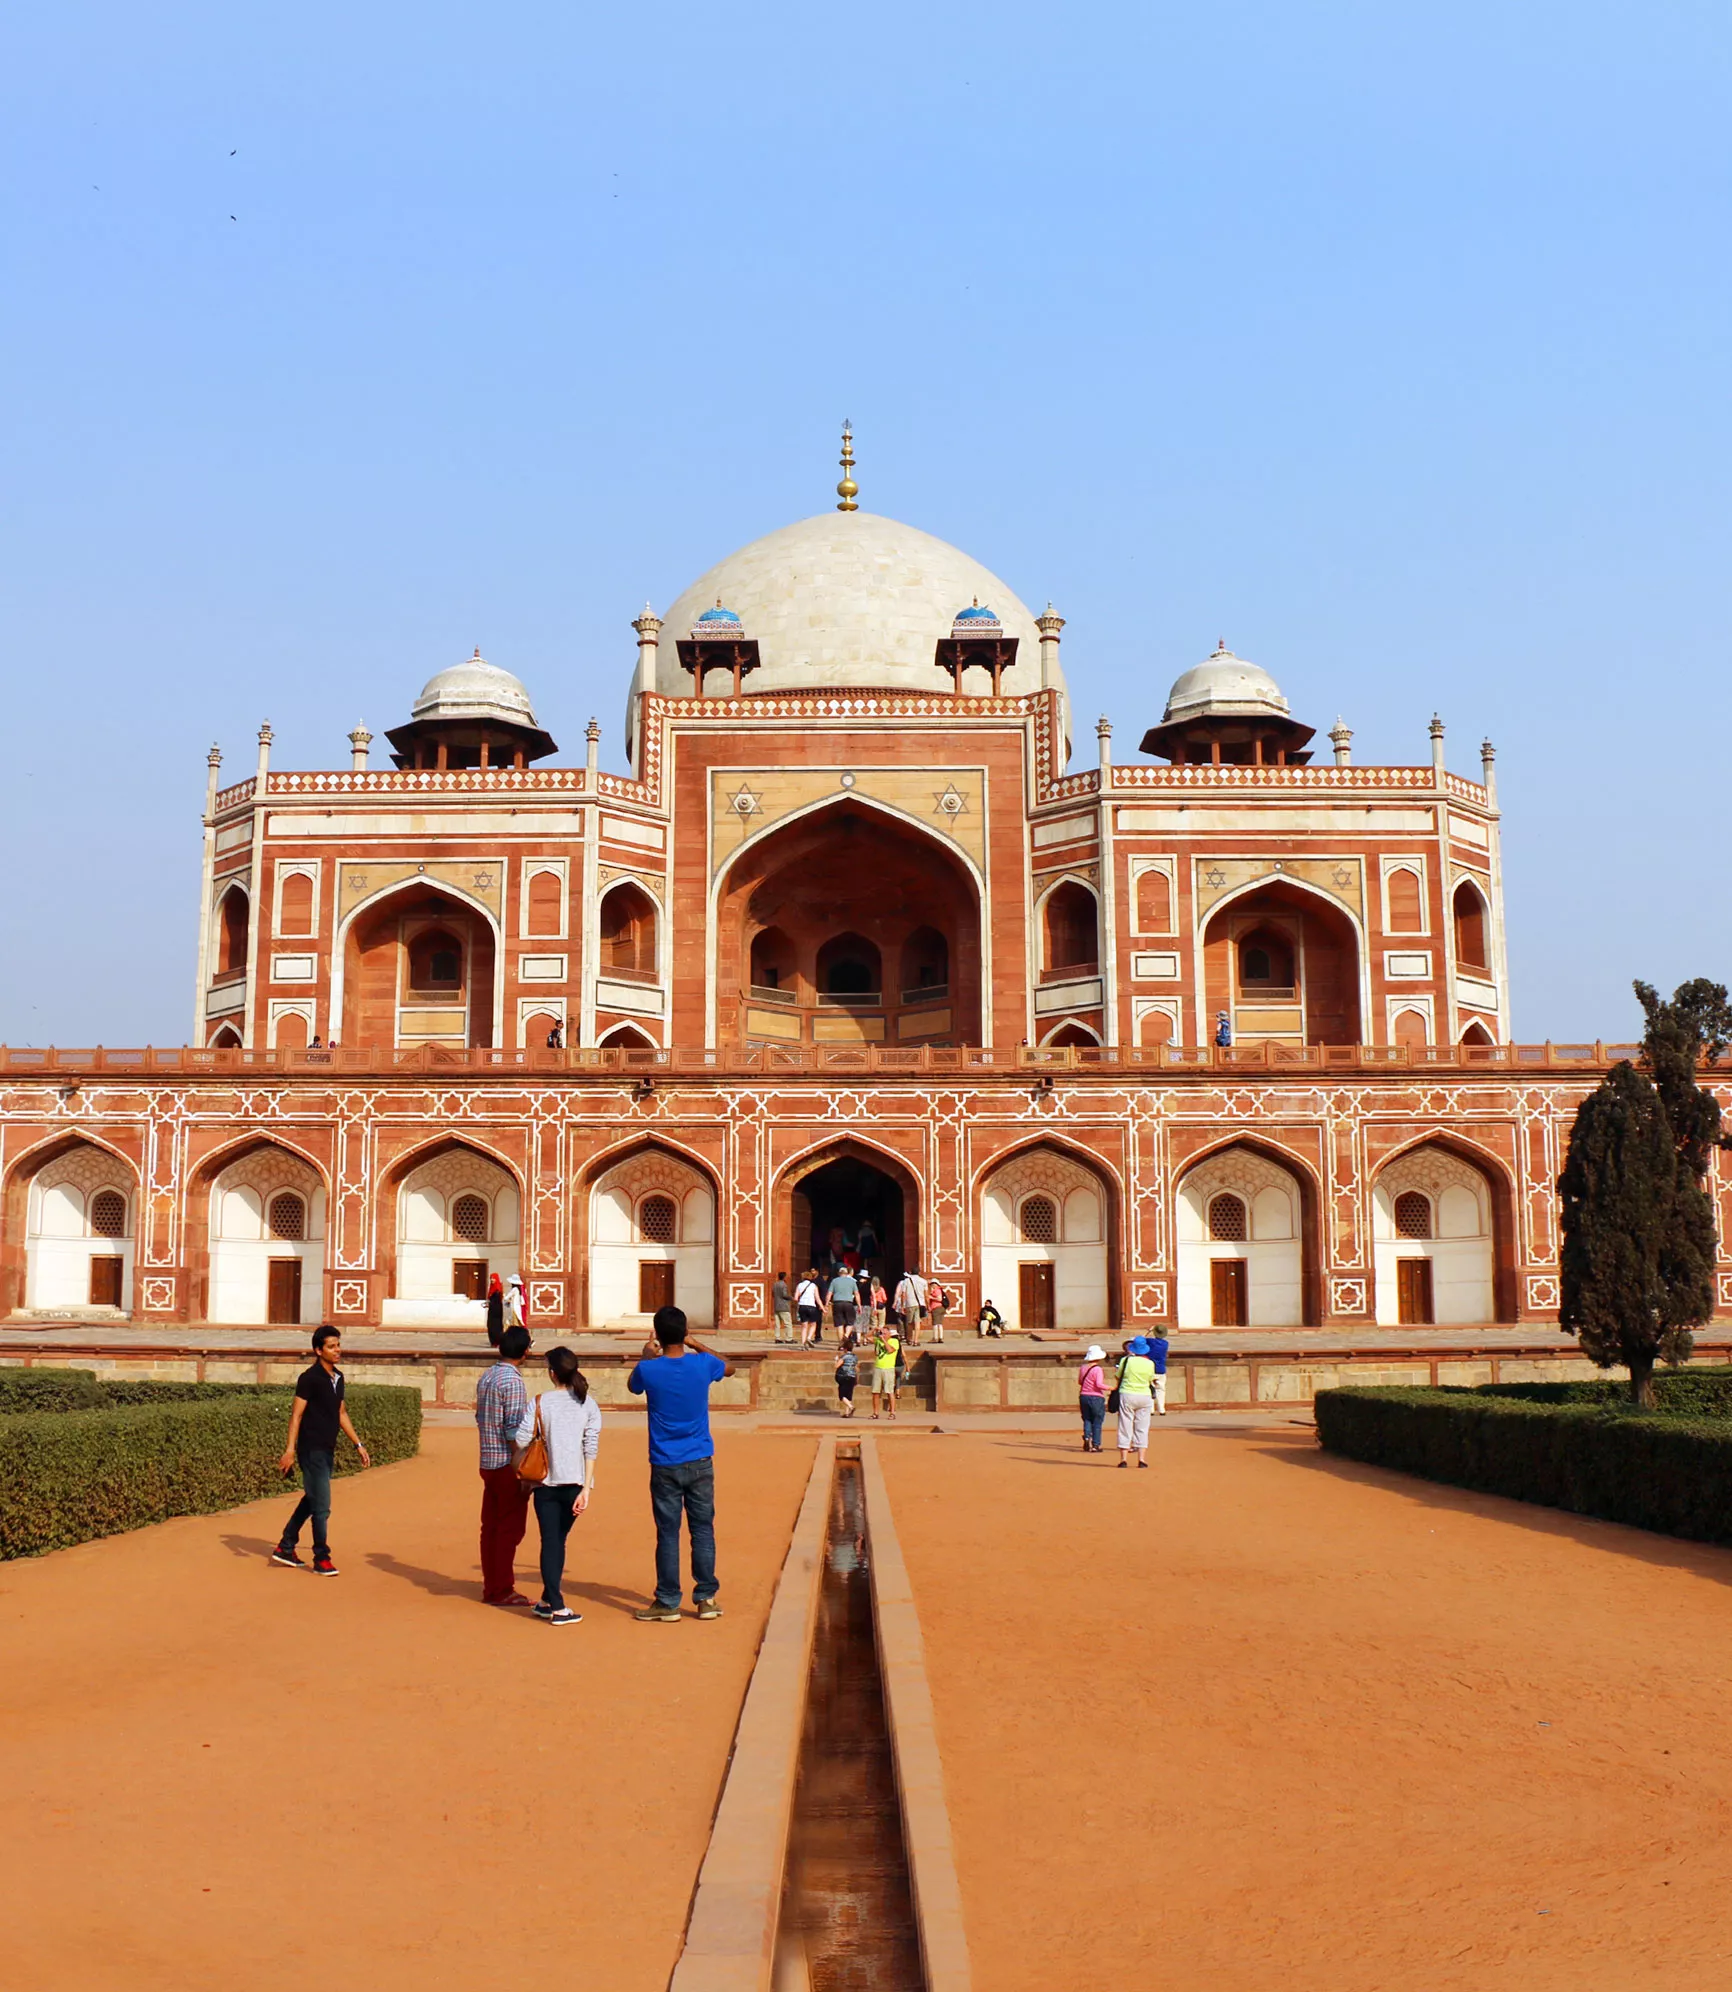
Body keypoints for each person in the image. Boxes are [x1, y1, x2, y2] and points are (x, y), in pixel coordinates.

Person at [627, 1305, 735, 1622]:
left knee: (668, 1532)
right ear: (684, 1333)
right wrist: (697, 1344)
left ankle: (668, 1600)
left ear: (657, 1335)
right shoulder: (702, 1364)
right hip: (700, 1457)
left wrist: (646, 1354)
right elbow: (729, 1368)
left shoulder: (649, 1369)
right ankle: (706, 1597)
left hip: (665, 1461)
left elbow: (633, 1385)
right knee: (702, 1530)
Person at [271, 1326, 369, 1576]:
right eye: (331, 1346)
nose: (338, 1350)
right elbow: (296, 1415)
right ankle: (321, 1556)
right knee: (322, 1506)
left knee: (312, 1498)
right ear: (318, 1350)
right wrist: (290, 1450)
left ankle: (285, 1546)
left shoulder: (338, 1378)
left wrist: (358, 1444)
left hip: (327, 1449)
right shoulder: (309, 1378)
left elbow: (341, 1412)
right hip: (310, 1449)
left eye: (338, 1345)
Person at [517, 1345, 601, 1626]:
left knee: (552, 1542)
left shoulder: (540, 1402)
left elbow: (519, 1439)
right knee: (557, 1541)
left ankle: (551, 1603)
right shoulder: (588, 1403)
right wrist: (587, 1489)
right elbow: (591, 1447)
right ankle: (553, 1603)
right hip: (577, 1483)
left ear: (552, 1373)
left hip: (546, 1482)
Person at [471, 1322, 534, 1607]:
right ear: (525, 1352)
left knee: (491, 1527)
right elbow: (514, 1431)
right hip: (506, 1463)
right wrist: (521, 1467)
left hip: (487, 1459)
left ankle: (492, 1585)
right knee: (510, 1529)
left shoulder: (487, 1376)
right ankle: (502, 1587)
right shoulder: (513, 1381)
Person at [1115, 1335, 1158, 1469]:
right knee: (1142, 1427)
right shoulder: (1150, 1363)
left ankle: (1124, 1459)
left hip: (1127, 1393)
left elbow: (1118, 1375)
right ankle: (1141, 1459)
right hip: (1144, 1395)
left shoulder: (1126, 1360)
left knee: (1125, 1425)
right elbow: (1151, 1378)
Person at [1078, 1343, 1108, 1453]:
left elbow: (1080, 1381)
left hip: (1084, 1396)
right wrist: (1110, 1388)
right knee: (1097, 1421)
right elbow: (1099, 1384)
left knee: (1087, 1419)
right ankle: (1096, 1444)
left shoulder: (1083, 1368)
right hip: (1096, 1397)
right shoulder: (1098, 1369)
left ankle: (1086, 1437)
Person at [870, 1319, 901, 1421]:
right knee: (875, 1391)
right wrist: (874, 1329)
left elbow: (890, 1350)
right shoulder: (878, 1340)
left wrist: (883, 1340)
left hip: (888, 1368)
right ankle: (875, 1413)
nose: (883, 1334)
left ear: (889, 1334)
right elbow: (866, 1338)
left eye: (885, 1332)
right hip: (878, 1367)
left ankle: (892, 1412)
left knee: (889, 1391)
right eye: (882, 1332)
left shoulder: (894, 1341)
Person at [893, 1267, 927, 1347]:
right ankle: (916, 1340)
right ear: (919, 1272)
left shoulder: (906, 1281)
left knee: (909, 1323)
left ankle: (910, 1339)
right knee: (917, 1322)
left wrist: (902, 1306)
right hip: (920, 1304)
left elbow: (903, 1295)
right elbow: (926, 1295)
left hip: (910, 1304)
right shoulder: (923, 1281)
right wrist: (928, 1306)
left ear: (911, 1272)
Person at [828, 1264, 859, 1338]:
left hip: (837, 1303)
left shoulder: (834, 1281)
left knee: (839, 1324)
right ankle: (846, 1335)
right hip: (848, 1303)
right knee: (850, 1322)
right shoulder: (852, 1282)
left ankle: (841, 1342)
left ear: (839, 1273)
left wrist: (826, 1303)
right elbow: (857, 1294)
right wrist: (859, 1305)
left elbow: (829, 1293)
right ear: (847, 1273)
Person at [795, 1267, 823, 1348]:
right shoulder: (814, 1286)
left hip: (802, 1306)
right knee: (813, 1324)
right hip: (811, 1306)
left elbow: (796, 1298)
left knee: (804, 1326)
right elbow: (817, 1298)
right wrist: (823, 1308)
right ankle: (809, 1337)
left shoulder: (799, 1285)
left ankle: (803, 1344)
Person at [834, 1331, 859, 1418]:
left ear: (845, 1348)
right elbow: (856, 1368)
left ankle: (851, 1407)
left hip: (844, 1377)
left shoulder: (844, 1357)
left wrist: (836, 1360)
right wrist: (857, 1378)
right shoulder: (855, 1357)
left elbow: (836, 1366)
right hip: (852, 1376)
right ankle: (847, 1412)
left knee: (842, 1395)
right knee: (849, 1395)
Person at [1149, 1329, 1170, 1415]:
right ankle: (1162, 1409)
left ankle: (1151, 1410)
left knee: (1149, 1389)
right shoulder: (1165, 1343)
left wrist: (1149, 1331)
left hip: (1150, 1368)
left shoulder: (1150, 1342)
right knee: (1161, 1389)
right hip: (1161, 1369)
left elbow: (1139, 1339)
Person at [771, 1270, 793, 1345]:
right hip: (783, 1306)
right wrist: (791, 1298)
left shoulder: (775, 1284)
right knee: (788, 1323)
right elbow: (784, 1295)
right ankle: (789, 1338)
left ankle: (777, 1338)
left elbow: (773, 1294)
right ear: (784, 1277)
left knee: (777, 1324)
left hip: (776, 1305)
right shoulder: (784, 1285)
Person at [485, 1272, 506, 1349]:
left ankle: (497, 1341)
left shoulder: (498, 1289)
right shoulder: (491, 1288)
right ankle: (493, 1341)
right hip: (491, 1310)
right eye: (491, 1278)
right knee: (490, 1325)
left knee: (496, 1326)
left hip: (497, 1310)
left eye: (493, 1278)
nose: (492, 1280)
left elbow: (497, 1300)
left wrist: (490, 1303)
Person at [927, 1279, 949, 1344]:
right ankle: (940, 1337)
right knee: (939, 1324)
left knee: (935, 1324)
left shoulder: (936, 1290)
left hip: (936, 1308)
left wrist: (931, 1297)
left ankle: (935, 1338)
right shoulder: (940, 1290)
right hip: (941, 1308)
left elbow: (939, 1299)